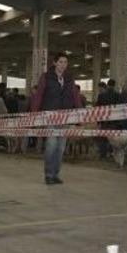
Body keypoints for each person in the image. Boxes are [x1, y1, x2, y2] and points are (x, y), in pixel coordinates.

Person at [31, 53, 83, 185]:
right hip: (50, 116)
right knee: (51, 145)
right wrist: (34, 115)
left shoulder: (69, 78)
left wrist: (80, 114)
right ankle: (48, 175)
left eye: (65, 62)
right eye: (60, 62)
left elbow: (75, 96)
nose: (63, 65)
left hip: (65, 117)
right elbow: (39, 95)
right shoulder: (46, 77)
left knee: (60, 148)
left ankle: (56, 174)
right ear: (54, 63)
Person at [96, 79, 121, 160]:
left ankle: (103, 154)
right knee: (113, 137)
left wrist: (98, 121)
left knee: (103, 137)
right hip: (114, 120)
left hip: (104, 120)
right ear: (114, 85)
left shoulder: (101, 95)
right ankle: (111, 153)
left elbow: (98, 109)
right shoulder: (118, 95)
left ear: (107, 85)